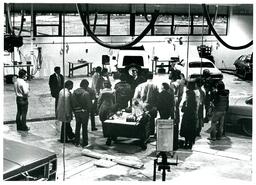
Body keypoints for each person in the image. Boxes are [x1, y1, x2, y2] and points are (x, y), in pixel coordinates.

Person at [71, 79, 91, 147]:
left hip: (76, 112)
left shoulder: (74, 92)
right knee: (84, 128)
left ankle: (77, 141)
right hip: (84, 112)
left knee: (77, 126)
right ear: (85, 85)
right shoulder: (86, 93)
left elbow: (72, 103)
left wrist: (74, 110)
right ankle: (85, 142)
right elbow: (89, 105)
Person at [180, 79, 198, 149]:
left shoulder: (187, 100)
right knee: (191, 130)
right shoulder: (194, 97)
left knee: (186, 130)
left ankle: (186, 143)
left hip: (187, 116)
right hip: (192, 116)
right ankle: (190, 143)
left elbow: (183, 109)